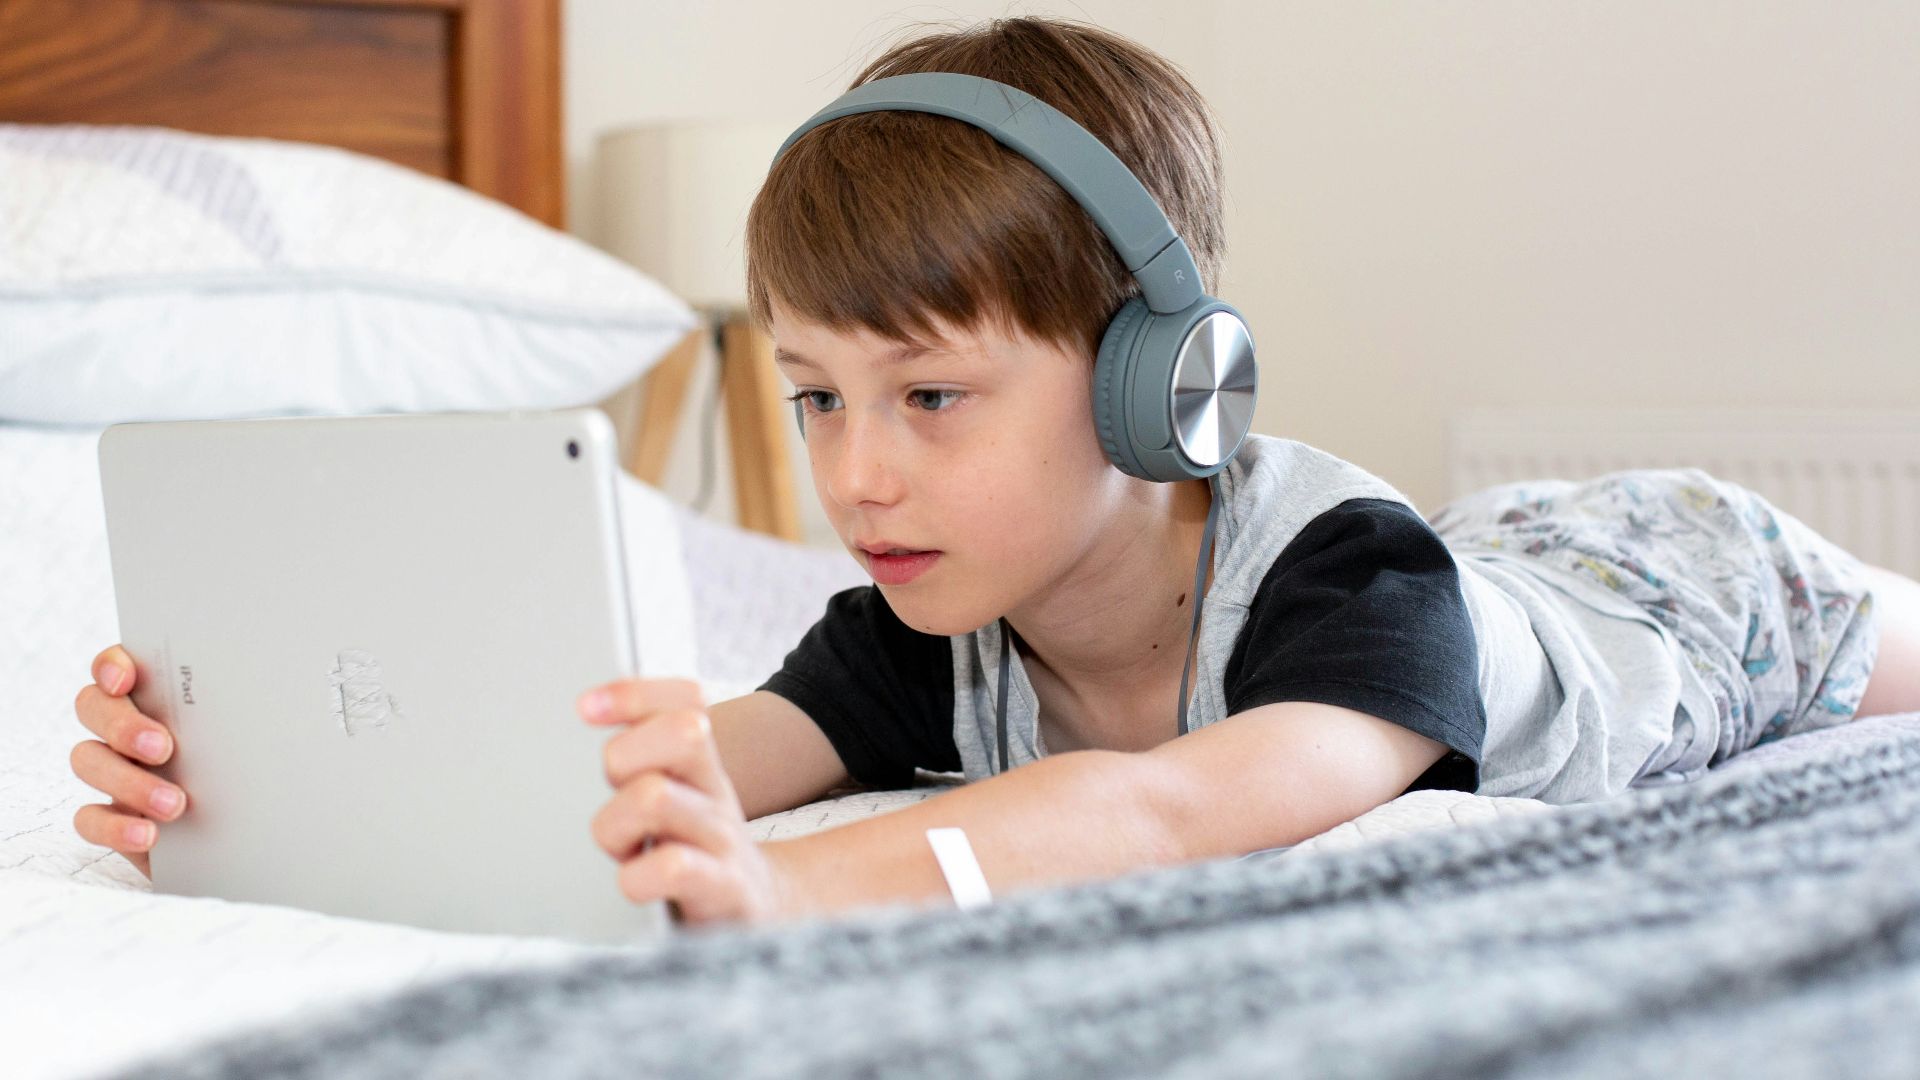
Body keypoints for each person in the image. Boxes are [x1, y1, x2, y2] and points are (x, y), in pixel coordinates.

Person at [69, 17, 1920, 927]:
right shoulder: (911, 619)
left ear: (1156, 392)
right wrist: (268, 795)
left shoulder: (1359, 592)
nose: (853, 474)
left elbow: (1165, 815)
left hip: (1684, 591)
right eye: (810, 398)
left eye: (930, 397)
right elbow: (668, 771)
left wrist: (794, 892)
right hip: (1509, 568)